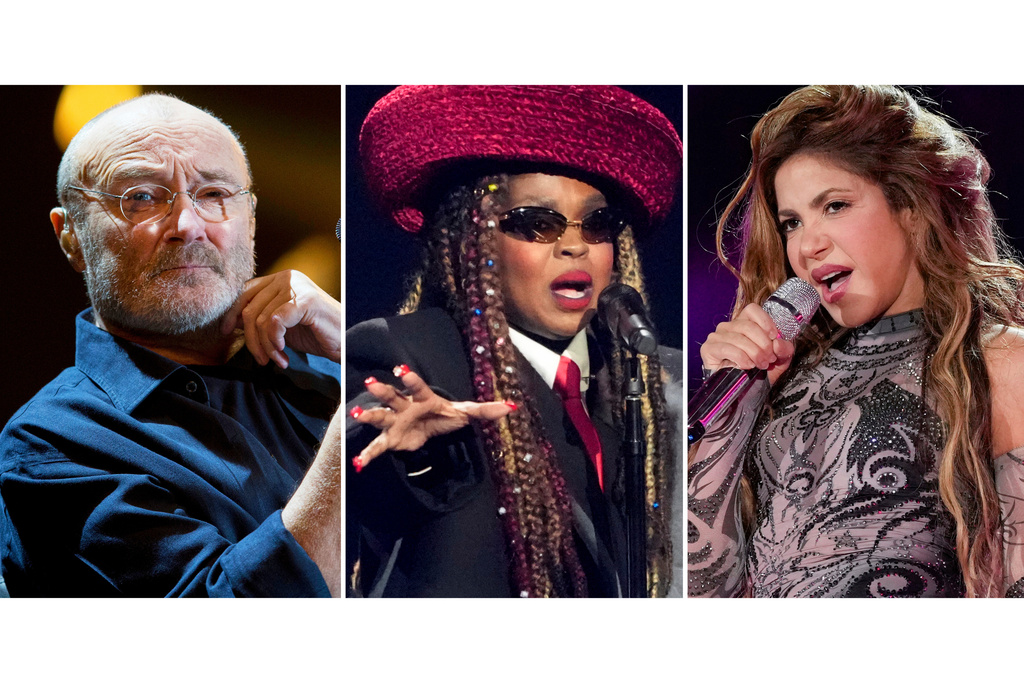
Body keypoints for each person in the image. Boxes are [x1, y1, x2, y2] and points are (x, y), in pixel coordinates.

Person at [688, 85, 1024, 598]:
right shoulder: (783, 380)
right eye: (792, 222)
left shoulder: (1001, 362)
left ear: (911, 206)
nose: (808, 244)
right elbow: (702, 590)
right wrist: (733, 413)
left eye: (835, 206)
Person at [346, 85, 683, 597]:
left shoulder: (662, 385)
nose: (574, 245)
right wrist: (419, 457)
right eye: (537, 224)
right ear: (473, 239)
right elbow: (366, 464)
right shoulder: (408, 354)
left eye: (598, 224)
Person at [0, 94, 342, 597]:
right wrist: (359, 416)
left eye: (214, 193)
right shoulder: (51, 442)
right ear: (70, 235)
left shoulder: (331, 362)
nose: (187, 225)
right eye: (141, 197)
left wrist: (358, 346)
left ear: (250, 219)